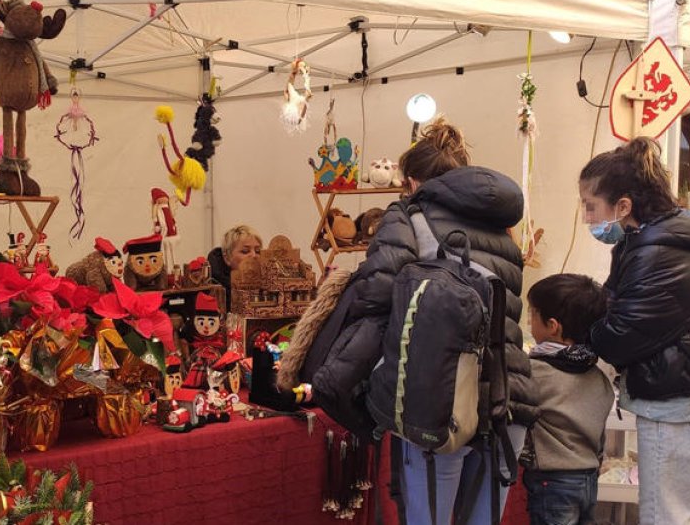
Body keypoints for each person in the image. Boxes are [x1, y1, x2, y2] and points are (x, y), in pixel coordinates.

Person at [300, 118, 538, 525]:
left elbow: (376, 300)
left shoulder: (408, 216)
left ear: (411, 182)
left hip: (438, 399)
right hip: (508, 398)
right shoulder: (502, 230)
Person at [579, 137, 690, 525]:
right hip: (686, 390)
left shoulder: (658, 252)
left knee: (662, 512)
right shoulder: (651, 237)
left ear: (623, 207)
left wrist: (580, 332)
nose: (586, 218)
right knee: (669, 506)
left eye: (590, 207)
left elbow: (621, 335)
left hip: (677, 402)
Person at [521, 274, 613, 525]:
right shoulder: (597, 375)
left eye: (532, 315)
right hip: (588, 478)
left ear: (552, 326)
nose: (529, 323)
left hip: (551, 481)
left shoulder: (536, 371)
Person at [206, 225, 263, 297]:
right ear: (227, 258)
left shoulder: (269, 283)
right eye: (245, 251)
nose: (254, 255)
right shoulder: (211, 289)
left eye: (258, 251)